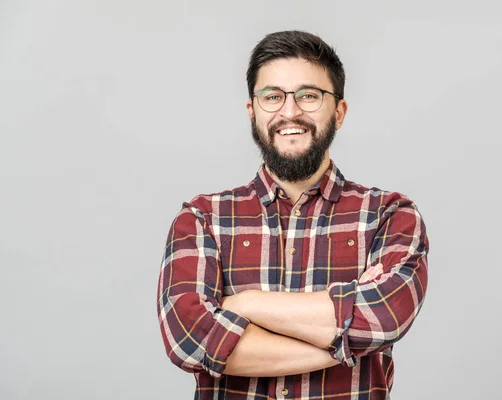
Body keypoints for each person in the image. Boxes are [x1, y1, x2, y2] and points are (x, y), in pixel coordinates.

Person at [156, 30, 429, 400]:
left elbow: (384, 319)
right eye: (272, 97)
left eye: (309, 96)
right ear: (252, 111)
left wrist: (245, 305)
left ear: (339, 112)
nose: (289, 111)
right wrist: (344, 339)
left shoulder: (390, 216)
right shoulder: (203, 219)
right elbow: (189, 340)